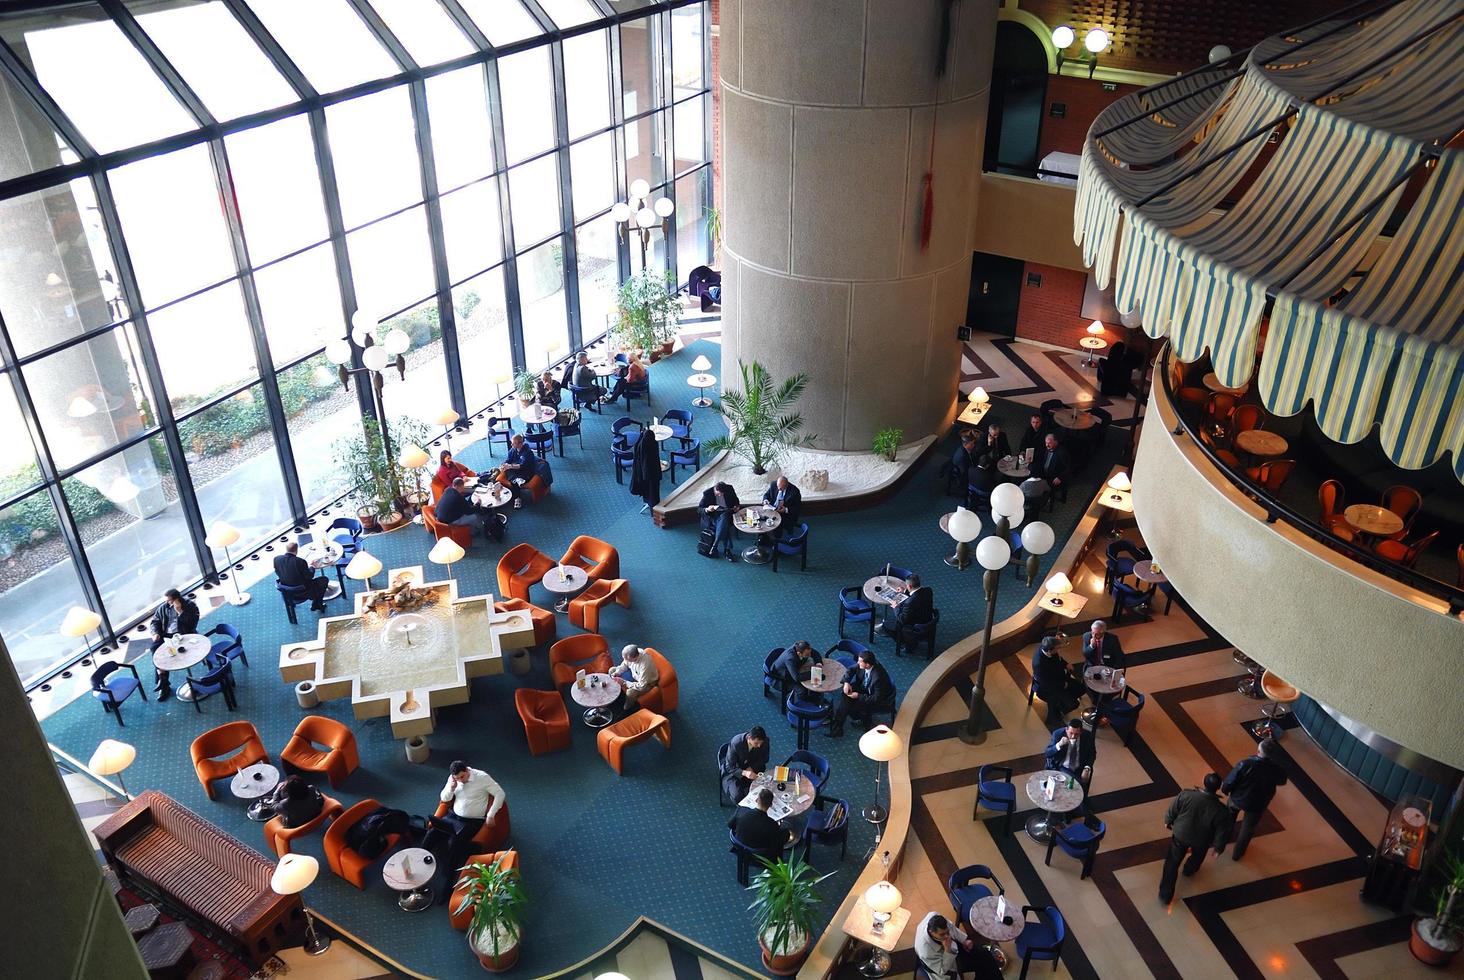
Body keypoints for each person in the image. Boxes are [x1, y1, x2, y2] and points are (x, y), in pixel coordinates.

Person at [1158, 773, 1231, 903]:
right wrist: (1218, 848)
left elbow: (1173, 808)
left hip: (1181, 834)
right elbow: (1222, 831)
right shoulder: (1221, 810)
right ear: (1218, 788)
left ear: (1204, 782)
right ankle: (1189, 869)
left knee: (1172, 864)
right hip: (1202, 840)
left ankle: (1165, 895)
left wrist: (1168, 820)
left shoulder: (1186, 795)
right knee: (1198, 855)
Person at [1221, 738, 1288, 860]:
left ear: (1258, 751)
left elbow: (1230, 781)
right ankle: (1237, 854)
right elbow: (1282, 781)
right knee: (1247, 829)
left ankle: (1224, 837)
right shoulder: (1276, 769)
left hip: (1237, 798)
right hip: (1258, 804)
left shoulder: (1245, 764)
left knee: (1229, 818)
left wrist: (1225, 790)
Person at [915, 911, 1002, 980]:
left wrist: (964, 940)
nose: (947, 936)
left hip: (953, 948)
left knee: (985, 955)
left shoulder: (934, 916)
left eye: (947, 932)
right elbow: (942, 970)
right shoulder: (925, 951)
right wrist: (947, 950)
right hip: (944, 964)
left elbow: (951, 927)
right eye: (942, 934)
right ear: (931, 932)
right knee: (981, 965)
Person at [147, 588, 200, 700]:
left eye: (169, 601)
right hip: (166, 635)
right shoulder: (164, 607)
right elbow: (155, 621)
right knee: (155, 649)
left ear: (177, 599)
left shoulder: (190, 606)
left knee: (176, 653)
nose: (167, 603)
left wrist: (180, 612)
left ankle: (163, 684)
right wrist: (155, 633)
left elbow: (192, 624)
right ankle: (163, 680)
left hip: (183, 635)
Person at [828, 651, 894, 737]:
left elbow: (876, 698)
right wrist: (846, 682)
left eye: (860, 662)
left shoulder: (878, 678)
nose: (857, 663)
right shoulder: (863, 665)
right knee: (845, 695)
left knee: (848, 705)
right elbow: (850, 670)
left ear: (867, 665)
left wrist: (859, 696)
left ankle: (845, 724)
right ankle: (839, 726)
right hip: (864, 688)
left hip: (875, 697)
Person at [1031, 635, 1084, 723]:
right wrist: (1063, 685)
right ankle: (1059, 709)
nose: (1059, 650)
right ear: (1050, 650)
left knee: (1082, 688)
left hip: (1060, 678)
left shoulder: (1047, 648)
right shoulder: (1039, 664)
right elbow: (1046, 683)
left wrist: (1065, 664)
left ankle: (1062, 703)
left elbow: (1058, 659)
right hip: (1049, 688)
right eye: (1057, 648)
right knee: (1074, 704)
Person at [728, 787, 795, 853]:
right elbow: (776, 841)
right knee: (785, 834)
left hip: (740, 843)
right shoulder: (772, 825)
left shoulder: (741, 811)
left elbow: (730, 824)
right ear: (771, 805)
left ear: (757, 800)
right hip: (759, 852)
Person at [274, 542, 330, 614]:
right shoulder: (300, 562)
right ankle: (316, 605)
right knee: (324, 580)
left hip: (286, 592)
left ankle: (292, 605)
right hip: (303, 592)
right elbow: (310, 576)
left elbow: (278, 572)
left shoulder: (276, 559)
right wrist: (312, 567)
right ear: (296, 550)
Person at [720, 726, 771, 805]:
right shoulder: (736, 743)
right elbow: (730, 767)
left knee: (765, 792)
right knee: (738, 797)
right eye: (756, 743)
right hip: (734, 772)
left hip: (754, 768)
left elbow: (765, 759)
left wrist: (751, 768)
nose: (759, 746)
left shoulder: (765, 741)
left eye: (761, 743)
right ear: (749, 738)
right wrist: (744, 773)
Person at [249, 774, 325, 826]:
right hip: (316, 813)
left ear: (289, 792)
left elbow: (274, 807)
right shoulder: (311, 788)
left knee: (279, 794)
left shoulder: (285, 804)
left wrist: (277, 791)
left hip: (297, 823)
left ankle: (267, 802)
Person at [1044, 717, 1096, 785]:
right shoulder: (1058, 734)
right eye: (1071, 733)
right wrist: (1059, 745)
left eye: (1076, 734)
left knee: (1082, 782)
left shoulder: (1088, 737)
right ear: (1066, 730)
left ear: (1081, 732)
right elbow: (1047, 753)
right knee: (1076, 784)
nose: (1073, 736)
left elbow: (1092, 754)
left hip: (1079, 768)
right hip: (1062, 766)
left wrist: (1087, 768)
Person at [610, 644, 659, 715]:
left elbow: (642, 685)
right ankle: (616, 694)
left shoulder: (645, 665)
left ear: (635, 657)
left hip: (647, 683)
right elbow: (625, 664)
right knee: (612, 670)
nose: (626, 660)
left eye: (628, 659)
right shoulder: (632, 654)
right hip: (634, 674)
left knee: (630, 693)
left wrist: (624, 682)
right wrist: (617, 672)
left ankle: (627, 709)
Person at [698, 481, 740, 560]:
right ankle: (727, 550)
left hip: (727, 512)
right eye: (719, 494)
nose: (721, 495)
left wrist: (736, 506)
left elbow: (736, 500)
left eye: (722, 493)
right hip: (713, 515)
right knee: (724, 525)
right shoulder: (707, 493)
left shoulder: (729, 488)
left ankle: (715, 544)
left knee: (724, 517)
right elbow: (699, 509)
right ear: (715, 490)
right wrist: (707, 509)